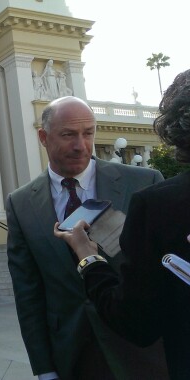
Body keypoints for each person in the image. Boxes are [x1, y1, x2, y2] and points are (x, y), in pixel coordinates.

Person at [6, 95, 167, 380]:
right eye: (68, 135)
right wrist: (44, 368)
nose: (80, 145)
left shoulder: (143, 182)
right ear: (43, 137)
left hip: (141, 351)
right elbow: (28, 293)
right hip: (72, 354)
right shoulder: (21, 204)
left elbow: (166, 272)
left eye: (88, 133)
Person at [54, 69, 190, 380]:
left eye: (89, 133)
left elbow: (136, 323)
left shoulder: (159, 204)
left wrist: (88, 258)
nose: (80, 144)